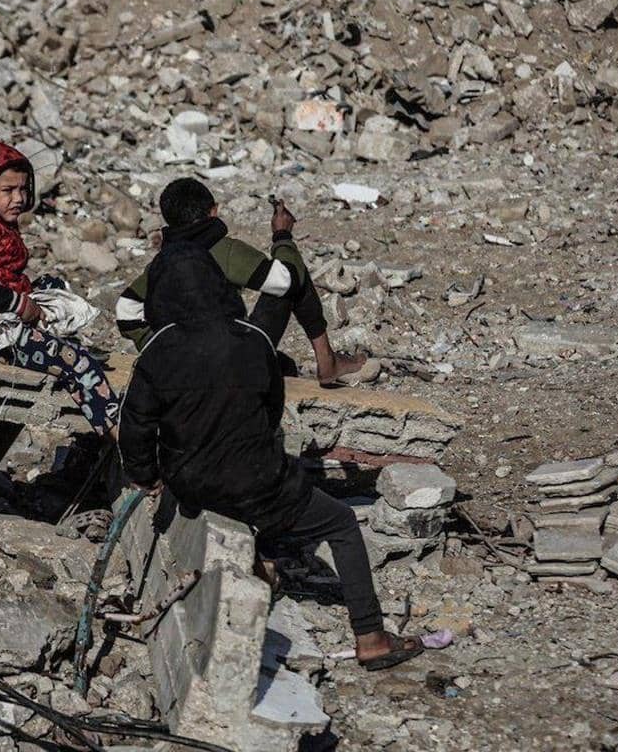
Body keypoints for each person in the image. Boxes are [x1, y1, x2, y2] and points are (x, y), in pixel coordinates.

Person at [117, 240, 423, 671]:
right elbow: (271, 412)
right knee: (338, 522)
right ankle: (371, 636)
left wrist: (146, 476)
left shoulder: (156, 352)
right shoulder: (253, 340)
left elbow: (136, 426)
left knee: (246, 500)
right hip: (258, 483)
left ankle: (262, 568)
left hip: (192, 484)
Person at [115, 177, 372, 388]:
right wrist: (282, 235)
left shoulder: (163, 261)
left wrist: (160, 349)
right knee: (294, 272)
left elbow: (125, 308)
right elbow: (286, 281)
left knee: (284, 365)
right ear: (213, 212)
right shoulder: (223, 250)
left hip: (182, 367)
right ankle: (327, 360)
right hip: (228, 364)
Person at [0, 138, 119, 438]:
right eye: (8, 190)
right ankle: (120, 437)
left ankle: (46, 339)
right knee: (77, 362)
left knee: (53, 285)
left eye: (23, 189)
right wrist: (20, 304)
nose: (19, 198)